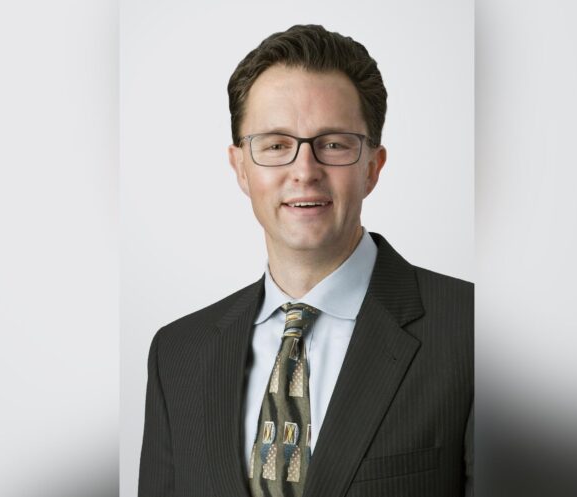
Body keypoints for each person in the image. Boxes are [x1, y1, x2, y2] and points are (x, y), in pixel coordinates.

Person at [138, 24, 473, 497]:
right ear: (241, 168)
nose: (304, 171)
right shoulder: (178, 355)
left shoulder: (474, 332)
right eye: (276, 145)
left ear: (372, 168)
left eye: (333, 144)